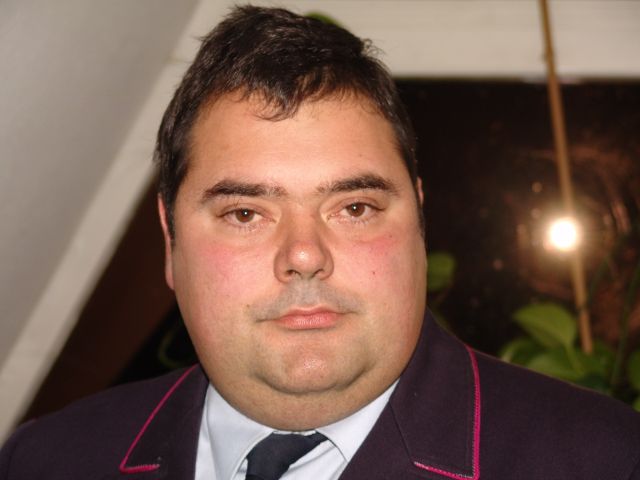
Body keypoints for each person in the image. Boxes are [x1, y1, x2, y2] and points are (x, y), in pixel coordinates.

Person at [1, 5, 639, 480]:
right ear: (170, 240)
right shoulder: (44, 462)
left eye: (354, 208)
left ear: (419, 222)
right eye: (246, 213)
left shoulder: (605, 461)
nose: (305, 255)